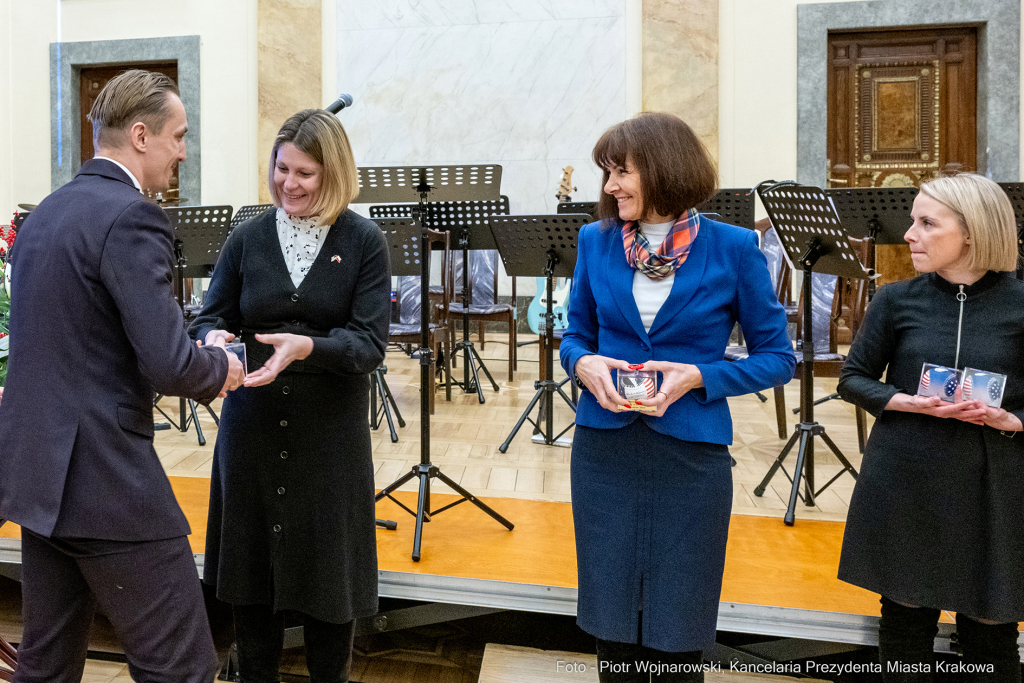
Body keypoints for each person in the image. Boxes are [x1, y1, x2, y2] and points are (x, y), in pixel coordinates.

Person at [0, 69, 244, 682]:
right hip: (104, 481)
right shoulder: (133, 217)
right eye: (179, 136)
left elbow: (85, 337)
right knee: (182, 667)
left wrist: (188, 337)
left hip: (37, 476)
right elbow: (168, 364)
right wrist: (224, 365)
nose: (184, 150)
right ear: (141, 135)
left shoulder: (44, 214)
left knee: (46, 666)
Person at [558, 112, 795, 682]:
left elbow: (777, 358)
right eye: (607, 173)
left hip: (690, 456)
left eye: (621, 172)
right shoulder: (595, 240)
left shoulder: (735, 248)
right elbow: (573, 338)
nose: (610, 186)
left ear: (664, 169)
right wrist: (583, 363)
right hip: (604, 452)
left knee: (679, 631)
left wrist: (698, 376)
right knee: (612, 627)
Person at [189, 108, 390, 683]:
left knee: (331, 590)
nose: (289, 184)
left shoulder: (363, 240)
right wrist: (214, 338)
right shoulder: (248, 236)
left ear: (335, 174)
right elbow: (210, 316)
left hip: (328, 438)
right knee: (251, 590)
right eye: (281, 169)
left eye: (305, 173)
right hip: (250, 428)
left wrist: (306, 348)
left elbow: (369, 343)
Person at [837, 174, 1024, 683]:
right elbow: (852, 380)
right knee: (904, 625)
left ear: (973, 231)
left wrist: (1014, 419)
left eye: (927, 223)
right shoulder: (896, 300)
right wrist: (905, 402)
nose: (910, 234)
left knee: (990, 633)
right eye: (913, 221)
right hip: (908, 475)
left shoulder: (1020, 303)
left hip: (993, 484)